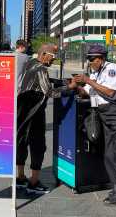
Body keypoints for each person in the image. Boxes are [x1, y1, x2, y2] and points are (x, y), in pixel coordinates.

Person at [74, 45, 116, 205]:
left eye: (92, 59)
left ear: (101, 58)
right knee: (110, 153)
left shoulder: (113, 69)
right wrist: (77, 85)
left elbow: (111, 92)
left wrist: (88, 80)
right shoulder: (95, 72)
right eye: (88, 59)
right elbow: (89, 92)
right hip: (105, 114)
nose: (90, 62)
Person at [17, 43, 77, 194]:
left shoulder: (30, 63)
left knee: (22, 142)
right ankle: (34, 181)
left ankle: (20, 177)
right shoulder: (41, 68)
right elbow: (50, 92)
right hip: (35, 111)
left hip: (22, 110)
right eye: (52, 57)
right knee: (38, 146)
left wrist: (62, 82)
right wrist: (70, 88)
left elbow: (44, 81)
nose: (53, 61)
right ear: (44, 54)